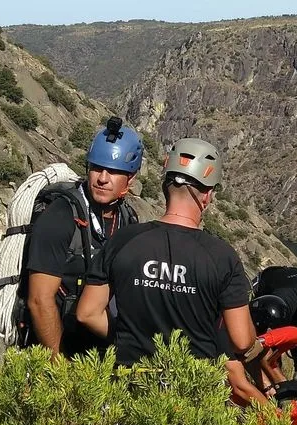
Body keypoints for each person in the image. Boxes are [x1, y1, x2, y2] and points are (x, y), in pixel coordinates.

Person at [76, 138, 261, 371]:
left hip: (128, 381)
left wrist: (126, 339)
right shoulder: (221, 256)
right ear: (207, 195)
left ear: (166, 187)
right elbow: (242, 341)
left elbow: (87, 313)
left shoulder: (124, 240)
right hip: (192, 388)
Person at [24, 116, 142, 358]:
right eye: (97, 168)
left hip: (100, 353)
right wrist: (57, 367)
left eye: (114, 172)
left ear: (131, 178)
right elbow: (39, 299)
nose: (102, 178)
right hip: (55, 349)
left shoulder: (128, 220)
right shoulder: (60, 216)